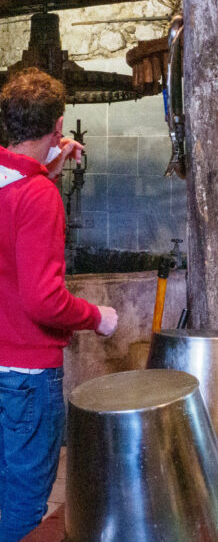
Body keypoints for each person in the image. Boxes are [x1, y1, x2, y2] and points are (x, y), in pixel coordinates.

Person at [0, 68, 119, 541]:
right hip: (27, 378)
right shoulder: (38, 197)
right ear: (58, 124)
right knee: (26, 507)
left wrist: (45, 167)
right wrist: (97, 318)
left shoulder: (11, 181)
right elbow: (43, 299)